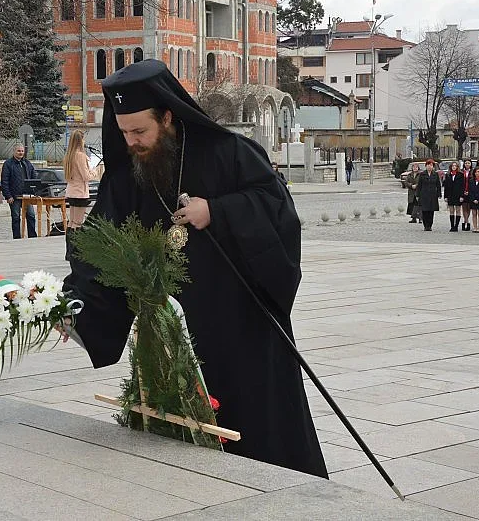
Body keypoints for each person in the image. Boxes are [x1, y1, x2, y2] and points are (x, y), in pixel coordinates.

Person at [61, 59, 327, 478]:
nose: (131, 142)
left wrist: (218, 211)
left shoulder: (231, 153)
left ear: (167, 116)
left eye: (140, 131)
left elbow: (280, 213)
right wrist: (74, 304)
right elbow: (101, 243)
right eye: (123, 132)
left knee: (254, 422)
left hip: (241, 323)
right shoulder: (128, 174)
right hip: (173, 331)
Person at [1, 142, 37, 239]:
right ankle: (17, 238)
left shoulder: (27, 163)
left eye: (22, 151)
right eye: (18, 151)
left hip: (27, 196)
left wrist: (34, 191)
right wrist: (8, 196)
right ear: (14, 151)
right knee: (16, 218)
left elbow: (34, 177)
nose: (20, 153)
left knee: (31, 216)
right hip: (14, 197)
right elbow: (4, 181)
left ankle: (33, 237)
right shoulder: (8, 164)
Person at [62, 130, 95, 232]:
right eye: (83, 139)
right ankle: (74, 247)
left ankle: (69, 246)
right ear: (80, 140)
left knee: (72, 221)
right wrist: (95, 171)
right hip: (80, 192)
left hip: (72, 191)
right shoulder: (80, 155)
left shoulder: (69, 155)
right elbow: (86, 176)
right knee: (78, 222)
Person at [416, 159, 441, 231]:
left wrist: (439, 194)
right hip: (424, 194)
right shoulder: (422, 174)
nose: (429, 166)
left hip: (433, 195)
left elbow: (438, 185)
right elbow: (419, 185)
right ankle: (425, 225)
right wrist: (417, 195)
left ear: (433, 166)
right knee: (424, 211)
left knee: (431, 211)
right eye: (428, 165)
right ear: (425, 166)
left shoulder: (435, 174)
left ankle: (430, 225)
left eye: (431, 165)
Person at [442, 161, 464, 232]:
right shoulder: (448, 175)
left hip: (458, 195)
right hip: (450, 195)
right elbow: (446, 187)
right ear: (450, 167)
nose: (454, 167)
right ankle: (452, 226)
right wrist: (445, 196)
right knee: (451, 210)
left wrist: (462, 196)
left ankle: (456, 226)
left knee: (458, 210)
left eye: (455, 166)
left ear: (457, 167)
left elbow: (462, 186)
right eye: (452, 166)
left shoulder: (460, 175)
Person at [460, 159, 473, 231]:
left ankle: (466, 221)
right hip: (463, 191)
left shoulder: (473, 172)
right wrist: (463, 192)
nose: (467, 164)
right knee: (464, 207)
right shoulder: (461, 172)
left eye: (468, 163)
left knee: (469, 208)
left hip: (470, 191)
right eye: (466, 163)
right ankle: (466, 221)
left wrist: (469, 191)